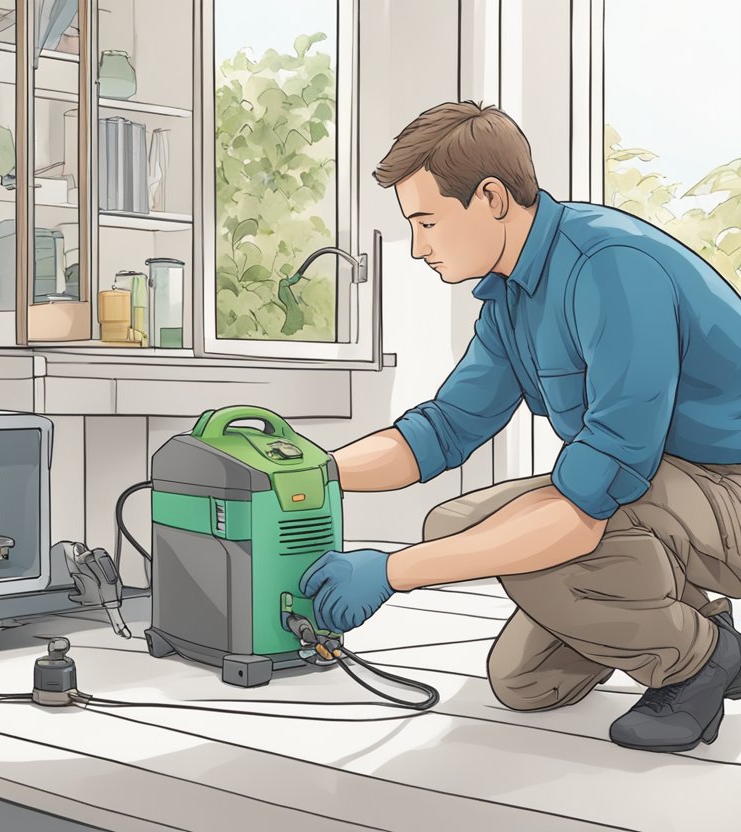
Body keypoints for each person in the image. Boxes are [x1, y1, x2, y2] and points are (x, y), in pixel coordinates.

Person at [298, 100, 741, 753]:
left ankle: (695, 658)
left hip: (727, 485)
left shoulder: (611, 268)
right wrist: (305, 475)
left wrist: (393, 573)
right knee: (524, 680)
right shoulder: (511, 298)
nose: (419, 248)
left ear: (492, 198)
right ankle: (705, 632)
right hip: (667, 490)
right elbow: (444, 430)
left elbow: (589, 501)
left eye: (427, 222)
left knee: (525, 525)